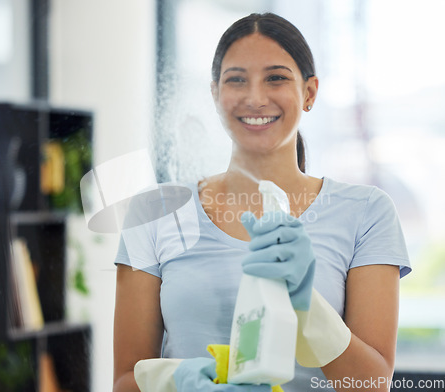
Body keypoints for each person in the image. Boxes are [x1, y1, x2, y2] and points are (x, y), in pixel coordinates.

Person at [113, 12, 411, 392]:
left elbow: (372, 385)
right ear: (215, 95)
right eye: (236, 79)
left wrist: (308, 306)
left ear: (309, 92)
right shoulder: (154, 212)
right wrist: (176, 381)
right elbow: (123, 381)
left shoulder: (367, 212)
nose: (255, 98)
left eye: (276, 78)